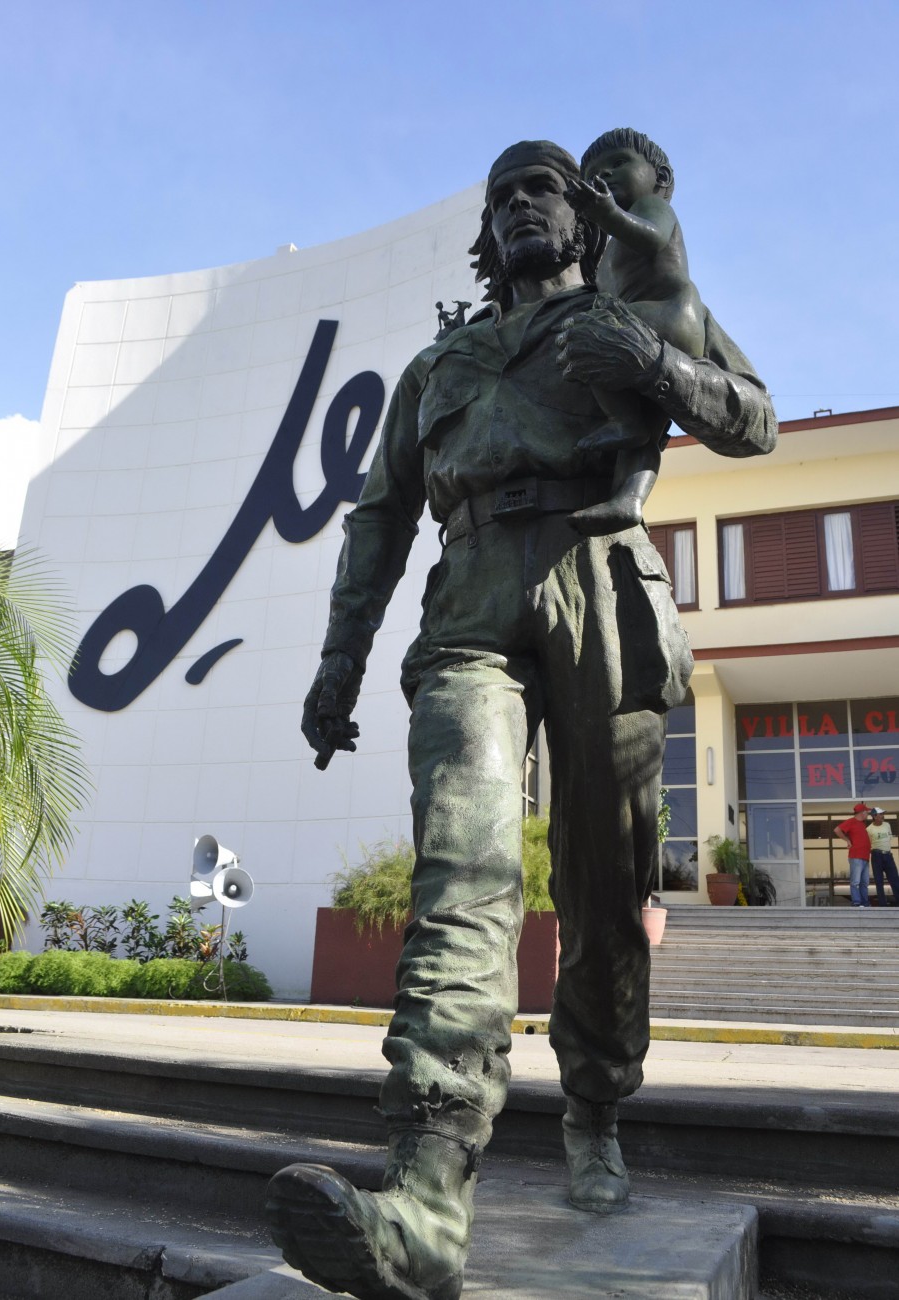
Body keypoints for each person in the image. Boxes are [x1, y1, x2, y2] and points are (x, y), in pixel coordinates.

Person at [266, 140, 777, 1300]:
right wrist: (338, 666)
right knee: (467, 866)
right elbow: (378, 522)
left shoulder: (636, 306)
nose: (519, 208)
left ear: (583, 216)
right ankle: (429, 1195)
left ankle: (594, 1106)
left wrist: (651, 360)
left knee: (604, 886)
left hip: (603, 582)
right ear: (484, 239)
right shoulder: (437, 366)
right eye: (501, 200)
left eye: (540, 187)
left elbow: (757, 419)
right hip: (473, 594)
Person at [563, 127, 705, 533]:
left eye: (618, 163)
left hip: (670, 314)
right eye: (594, 173)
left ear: (660, 177)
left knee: (588, 338)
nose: (603, 176)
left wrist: (608, 215)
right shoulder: (611, 248)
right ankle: (629, 500)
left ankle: (622, 420)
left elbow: (653, 239)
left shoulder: (653, 209)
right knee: (648, 426)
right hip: (652, 325)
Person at [835, 802, 873, 907]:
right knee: (856, 881)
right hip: (856, 856)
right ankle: (856, 902)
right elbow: (837, 830)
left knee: (864, 882)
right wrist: (847, 840)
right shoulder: (851, 821)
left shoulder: (862, 824)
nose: (868, 814)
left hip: (865, 857)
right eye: (867, 812)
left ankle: (865, 903)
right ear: (862, 812)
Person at [867, 807, 899, 907]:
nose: (882, 816)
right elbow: (869, 843)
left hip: (888, 855)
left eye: (882, 814)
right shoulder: (869, 829)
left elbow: (889, 837)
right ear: (874, 816)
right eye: (880, 814)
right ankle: (882, 904)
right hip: (877, 856)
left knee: (895, 879)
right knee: (879, 881)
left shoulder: (887, 825)